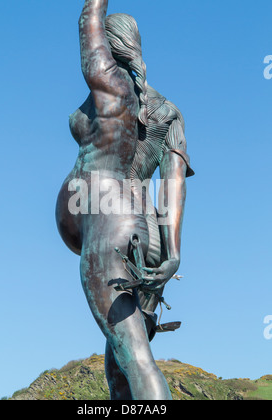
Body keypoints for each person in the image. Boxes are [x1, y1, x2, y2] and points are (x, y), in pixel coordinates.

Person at [56, 0, 193, 400]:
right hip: (147, 236)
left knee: (135, 358)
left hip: (110, 228)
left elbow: (87, 22)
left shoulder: (111, 90)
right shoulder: (169, 112)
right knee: (121, 369)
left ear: (111, 48)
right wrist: (172, 254)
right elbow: (173, 185)